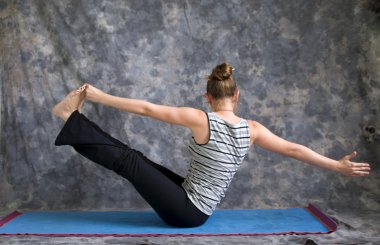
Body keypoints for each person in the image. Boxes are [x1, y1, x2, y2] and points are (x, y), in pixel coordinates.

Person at [52, 62, 371, 228]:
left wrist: (99, 95)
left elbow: (147, 109)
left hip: (188, 212)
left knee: (131, 163)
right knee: (135, 158)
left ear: (208, 97)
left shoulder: (200, 119)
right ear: (236, 96)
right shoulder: (253, 129)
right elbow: (293, 149)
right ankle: (75, 119)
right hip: (193, 203)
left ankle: (69, 118)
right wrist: (336, 165)